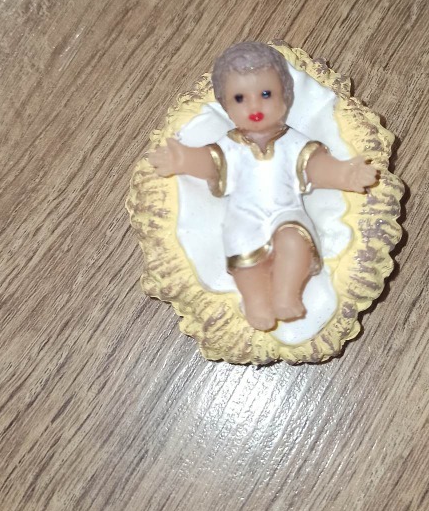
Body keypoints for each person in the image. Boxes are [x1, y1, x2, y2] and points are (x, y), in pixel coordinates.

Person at [149, 42, 377, 332]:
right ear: (225, 105)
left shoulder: (293, 143)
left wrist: (346, 175)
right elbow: (210, 163)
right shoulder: (230, 146)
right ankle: (256, 302)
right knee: (247, 266)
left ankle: (286, 293)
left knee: (294, 243)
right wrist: (182, 159)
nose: (254, 106)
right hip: (244, 220)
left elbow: (317, 167)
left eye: (266, 94)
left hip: (286, 214)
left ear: (285, 95)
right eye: (240, 98)